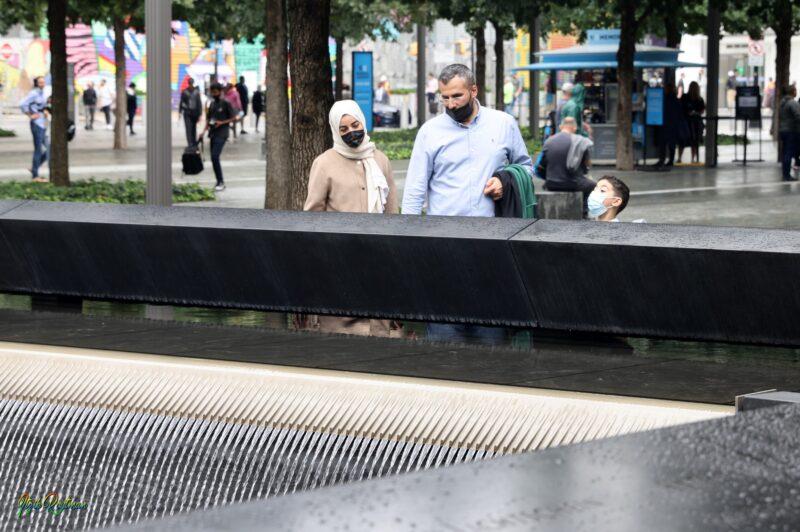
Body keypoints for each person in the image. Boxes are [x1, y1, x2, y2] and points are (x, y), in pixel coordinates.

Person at [402, 64, 532, 345]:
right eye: (445, 98)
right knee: (445, 339)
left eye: (457, 96)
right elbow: (414, 191)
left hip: (492, 246)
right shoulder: (429, 132)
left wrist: (505, 181)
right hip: (444, 246)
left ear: (474, 91)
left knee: (491, 338)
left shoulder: (504, 124)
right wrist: (409, 245)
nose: (450, 104)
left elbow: (526, 167)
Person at [304, 99, 400, 336]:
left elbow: (391, 211)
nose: (351, 132)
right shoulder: (324, 163)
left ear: (363, 122)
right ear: (335, 131)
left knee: (378, 323)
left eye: (355, 125)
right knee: (342, 331)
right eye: (343, 129)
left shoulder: (380, 160)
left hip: (377, 257)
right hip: (339, 259)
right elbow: (313, 215)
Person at [538, 117, 595, 213]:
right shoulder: (580, 141)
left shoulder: (548, 141)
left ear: (561, 127)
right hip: (571, 183)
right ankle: (584, 212)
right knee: (593, 185)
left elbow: (542, 164)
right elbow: (586, 165)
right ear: (574, 128)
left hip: (551, 183)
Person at [200, 82, 237, 191]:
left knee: (215, 156)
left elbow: (234, 118)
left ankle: (221, 182)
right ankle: (218, 181)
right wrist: (203, 132)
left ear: (220, 92)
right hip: (213, 133)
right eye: (212, 92)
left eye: (215, 92)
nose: (213, 94)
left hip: (222, 133)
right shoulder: (211, 104)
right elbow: (208, 120)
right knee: (213, 158)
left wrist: (222, 122)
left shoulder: (226, 103)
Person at [19, 76, 49, 182]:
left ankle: (34, 168)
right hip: (36, 124)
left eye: (43, 82)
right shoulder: (34, 93)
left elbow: (40, 106)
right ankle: (35, 176)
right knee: (38, 150)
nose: (42, 84)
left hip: (43, 123)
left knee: (50, 148)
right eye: (40, 82)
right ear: (36, 83)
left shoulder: (42, 93)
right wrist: (30, 115)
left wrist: (45, 110)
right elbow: (22, 104)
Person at [655, 84, 684, 168]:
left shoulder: (664, 99)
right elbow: (680, 113)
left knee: (663, 143)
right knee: (672, 144)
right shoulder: (676, 100)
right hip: (673, 125)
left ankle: (662, 160)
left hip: (664, 124)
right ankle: (671, 160)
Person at [678, 81, 705, 164]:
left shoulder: (686, 97)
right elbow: (702, 110)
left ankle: (681, 158)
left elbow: (702, 110)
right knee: (692, 141)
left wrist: (693, 112)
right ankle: (692, 159)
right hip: (692, 122)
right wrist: (695, 112)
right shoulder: (698, 99)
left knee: (687, 140)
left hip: (690, 122)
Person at [778, 85, 800, 182]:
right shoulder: (792, 102)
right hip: (791, 131)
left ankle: (785, 174)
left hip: (783, 130)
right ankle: (787, 175)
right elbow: (798, 116)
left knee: (785, 153)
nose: (796, 92)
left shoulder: (782, 102)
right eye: (795, 90)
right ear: (793, 92)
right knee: (789, 153)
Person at [179, 77, 203, 146]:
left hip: (194, 113)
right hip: (187, 113)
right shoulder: (185, 92)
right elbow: (182, 102)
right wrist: (180, 111)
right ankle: (190, 142)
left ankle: (193, 142)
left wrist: (200, 113)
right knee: (189, 128)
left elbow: (199, 103)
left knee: (193, 128)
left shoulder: (196, 92)